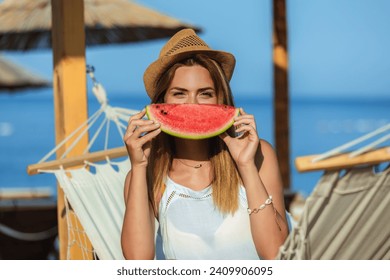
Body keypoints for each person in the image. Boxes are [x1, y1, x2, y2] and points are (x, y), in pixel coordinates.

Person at [121, 29, 291, 260]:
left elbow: (276, 255)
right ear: (162, 102)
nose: (193, 105)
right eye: (180, 94)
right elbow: (137, 262)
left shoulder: (259, 155)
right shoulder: (146, 175)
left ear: (221, 99)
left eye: (205, 94)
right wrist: (139, 167)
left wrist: (246, 166)